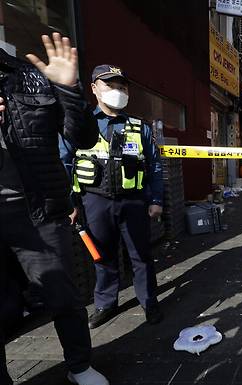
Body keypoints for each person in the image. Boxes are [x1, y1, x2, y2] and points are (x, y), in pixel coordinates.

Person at [0, 33, 110, 385]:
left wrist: (67, 88)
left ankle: (80, 365)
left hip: (39, 211)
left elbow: (81, 137)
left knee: (64, 295)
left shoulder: (29, 78)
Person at [60, 65, 164, 329]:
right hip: (95, 201)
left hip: (134, 201)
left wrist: (156, 200)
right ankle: (106, 303)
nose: (117, 91)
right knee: (103, 256)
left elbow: (154, 166)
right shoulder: (81, 125)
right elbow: (64, 163)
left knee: (141, 256)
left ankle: (149, 301)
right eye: (110, 86)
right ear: (94, 88)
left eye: (122, 87)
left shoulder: (140, 127)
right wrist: (69, 203)